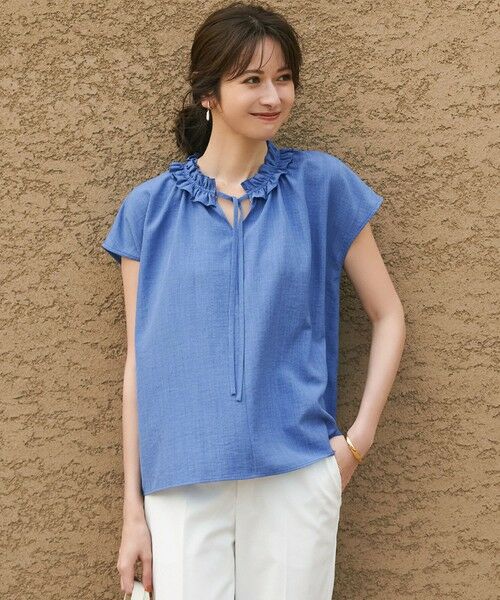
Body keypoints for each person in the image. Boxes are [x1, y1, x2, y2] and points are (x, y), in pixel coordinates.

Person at [101, 2, 406, 599]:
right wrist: (133, 512)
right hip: (181, 482)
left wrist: (356, 444)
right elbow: (139, 365)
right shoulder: (148, 210)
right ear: (208, 93)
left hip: (296, 474)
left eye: (284, 78)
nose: (273, 96)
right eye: (252, 79)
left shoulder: (321, 186)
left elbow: (388, 314)